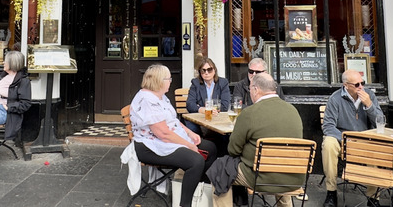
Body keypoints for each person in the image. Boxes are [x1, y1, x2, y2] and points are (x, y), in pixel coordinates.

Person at [129, 64, 217, 207]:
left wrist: (190, 133)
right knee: (195, 161)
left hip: (167, 139)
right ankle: (185, 204)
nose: (170, 80)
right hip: (149, 146)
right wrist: (188, 145)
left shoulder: (160, 96)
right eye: (168, 78)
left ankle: (197, 187)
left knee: (211, 148)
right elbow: (163, 133)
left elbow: (173, 121)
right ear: (159, 80)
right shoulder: (147, 100)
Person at [211, 73, 303, 207]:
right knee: (280, 166)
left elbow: (233, 150)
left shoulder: (249, 113)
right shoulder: (293, 111)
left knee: (219, 169)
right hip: (293, 178)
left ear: (255, 89)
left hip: (261, 177)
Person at [322, 69, 384, 207]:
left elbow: (380, 123)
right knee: (328, 144)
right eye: (357, 85)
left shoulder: (370, 96)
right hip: (342, 139)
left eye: (362, 83)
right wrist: (346, 139)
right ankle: (331, 192)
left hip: (365, 139)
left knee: (376, 148)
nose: (361, 87)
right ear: (346, 85)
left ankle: (373, 198)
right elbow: (328, 127)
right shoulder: (335, 98)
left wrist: (369, 105)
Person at [185, 56, 231, 134]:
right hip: (201, 119)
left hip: (218, 119)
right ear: (200, 72)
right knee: (191, 127)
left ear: (214, 70)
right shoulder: (196, 83)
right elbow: (190, 104)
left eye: (209, 70)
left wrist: (213, 111)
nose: (206, 73)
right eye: (203, 70)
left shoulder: (223, 83)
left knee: (225, 134)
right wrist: (202, 110)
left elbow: (225, 105)